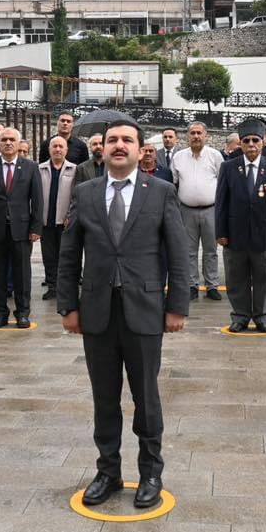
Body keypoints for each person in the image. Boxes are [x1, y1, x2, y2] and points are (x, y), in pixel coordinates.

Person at [58, 117, 191, 510]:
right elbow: (69, 255)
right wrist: (68, 305)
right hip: (97, 311)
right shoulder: (85, 192)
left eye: (127, 140)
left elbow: (178, 253)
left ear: (139, 149)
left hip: (145, 310)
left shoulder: (162, 192)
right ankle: (108, 470)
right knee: (104, 397)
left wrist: (177, 306)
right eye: (112, 140)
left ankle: (151, 472)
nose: (119, 146)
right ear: (102, 148)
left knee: (146, 397)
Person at [215, 118, 266, 333]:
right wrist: (221, 232)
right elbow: (221, 202)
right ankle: (240, 315)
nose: (251, 144)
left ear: (264, 141)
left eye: (255, 140)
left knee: (263, 277)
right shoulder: (228, 167)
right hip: (235, 234)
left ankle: (263, 316)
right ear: (240, 143)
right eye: (246, 140)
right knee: (236, 277)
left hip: (264, 235)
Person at [0, 126, 43, 329]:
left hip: (21, 230)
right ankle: (0, 313)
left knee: (23, 274)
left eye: (11, 139)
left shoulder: (30, 167)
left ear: (18, 142)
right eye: (4, 139)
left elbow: (37, 200)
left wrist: (36, 228)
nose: (7, 143)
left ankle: (22, 313)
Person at [171, 121, 223, 301]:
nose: (196, 136)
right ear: (187, 136)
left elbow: (223, 184)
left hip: (211, 210)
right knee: (188, 251)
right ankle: (191, 285)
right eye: (192, 133)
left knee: (211, 251)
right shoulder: (178, 157)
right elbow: (175, 183)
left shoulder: (215, 156)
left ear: (206, 135)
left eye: (199, 133)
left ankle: (212, 285)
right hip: (186, 210)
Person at [38, 136, 77, 304]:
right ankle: (52, 286)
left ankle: (64, 287)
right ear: (49, 149)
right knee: (49, 256)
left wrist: (70, 215)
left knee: (65, 256)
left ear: (66, 150)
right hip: (46, 221)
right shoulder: (39, 169)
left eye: (61, 146)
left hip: (65, 221)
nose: (58, 149)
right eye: (55, 146)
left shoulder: (74, 169)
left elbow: (76, 196)